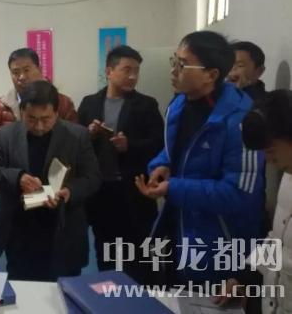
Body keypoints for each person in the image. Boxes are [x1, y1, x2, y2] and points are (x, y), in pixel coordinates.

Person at [135, 31, 265, 285]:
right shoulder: (178, 105)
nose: (173, 70)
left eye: (182, 65)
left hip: (218, 247)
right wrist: (161, 165)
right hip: (177, 230)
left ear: (211, 74)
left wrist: (172, 188)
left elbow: (239, 194)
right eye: (174, 60)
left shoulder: (242, 120)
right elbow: (173, 151)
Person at [0, 80, 101, 281]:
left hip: (63, 229)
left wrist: (70, 191)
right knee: (23, 289)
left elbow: (92, 177)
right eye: (31, 118)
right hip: (20, 231)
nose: (38, 126)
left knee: (64, 291)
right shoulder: (6, 135)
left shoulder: (77, 136)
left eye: (46, 119)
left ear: (56, 113)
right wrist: (18, 177)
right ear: (21, 111)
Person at [78, 45, 164, 284]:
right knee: (105, 246)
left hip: (133, 189)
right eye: (127, 70)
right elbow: (75, 141)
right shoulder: (89, 103)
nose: (133, 76)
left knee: (139, 250)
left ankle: (139, 295)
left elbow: (159, 143)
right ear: (109, 71)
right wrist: (89, 133)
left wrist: (130, 146)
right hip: (101, 190)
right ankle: (109, 292)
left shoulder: (146, 105)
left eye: (136, 71)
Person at [215, 90, 292, 314]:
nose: (269, 160)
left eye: (271, 150)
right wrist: (245, 278)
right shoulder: (288, 176)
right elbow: (277, 242)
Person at [0, 47, 77, 151]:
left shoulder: (63, 102)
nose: (22, 77)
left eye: (26, 70)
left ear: (39, 69)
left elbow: (74, 139)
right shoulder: (0, 106)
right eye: (16, 72)